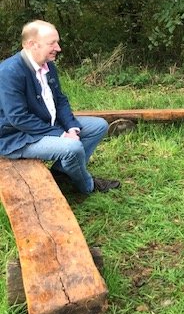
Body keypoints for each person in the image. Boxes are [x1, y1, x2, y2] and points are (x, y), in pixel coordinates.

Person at [0, 20, 120, 195]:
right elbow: (18, 118)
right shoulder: (9, 72)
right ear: (32, 44)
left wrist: (71, 126)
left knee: (99, 126)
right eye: (52, 43)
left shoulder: (47, 65)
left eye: (57, 42)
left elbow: (60, 100)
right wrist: (62, 134)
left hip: (45, 124)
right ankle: (87, 186)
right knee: (72, 148)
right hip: (17, 137)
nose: (58, 48)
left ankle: (61, 173)